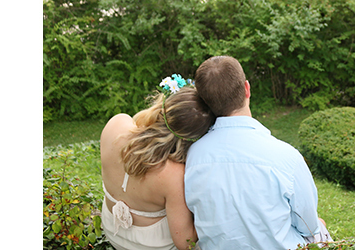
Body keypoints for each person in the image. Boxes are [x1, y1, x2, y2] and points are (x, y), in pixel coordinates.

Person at [184, 56, 332, 250]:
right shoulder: (287, 157)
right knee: (319, 226)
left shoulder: (193, 156)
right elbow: (309, 227)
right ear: (247, 88)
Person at [100, 85, 213, 250]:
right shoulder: (173, 174)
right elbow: (184, 243)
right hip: (153, 246)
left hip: (112, 230)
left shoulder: (116, 125)